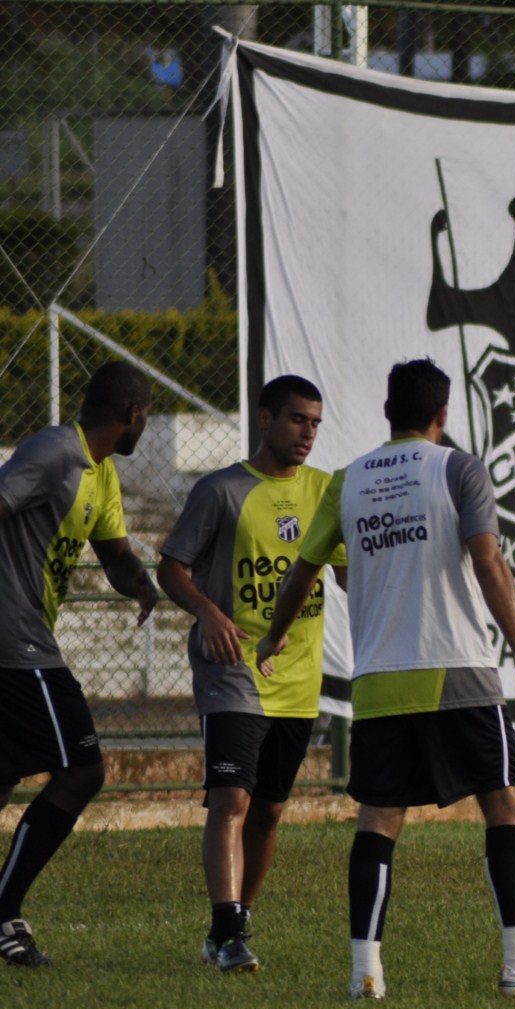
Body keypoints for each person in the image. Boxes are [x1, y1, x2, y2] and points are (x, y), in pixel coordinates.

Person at [256, 358, 515, 1001]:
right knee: (508, 801)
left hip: (379, 681)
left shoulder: (349, 480)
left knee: (379, 820)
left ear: (387, 414)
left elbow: (303, 573)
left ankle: (364, 974)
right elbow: (488, 559)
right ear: (443, 416)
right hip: (457, 670)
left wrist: (274, 635)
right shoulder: (457, 467)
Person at [157, 375, 346, 974]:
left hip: (298, 679)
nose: (307, 433)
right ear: (264, 419)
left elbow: (348, 574)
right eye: (296, 420)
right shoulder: (222, 491)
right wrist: (208, 611)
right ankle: (226, 928)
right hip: (232, 672)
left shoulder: (326, 491)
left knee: (268, 810)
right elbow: (171, 568)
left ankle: (235, 925)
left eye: (315, 422)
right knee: (232, 798)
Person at [0, 362, 159, 967]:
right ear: (134, 416)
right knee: (84, 769)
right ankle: (4, 910)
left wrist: (142, 585)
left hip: (25, 639)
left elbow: (115, 555)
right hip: (18, 645)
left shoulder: (101, 471)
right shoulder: (56, 451)